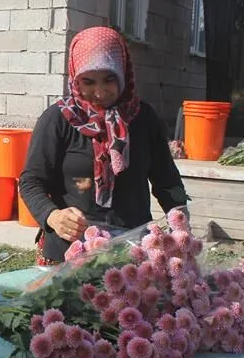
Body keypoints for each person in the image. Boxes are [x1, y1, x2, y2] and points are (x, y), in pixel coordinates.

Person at [19, 26, 189, 266]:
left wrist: (180, 222)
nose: (99, 92)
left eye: (109, 79)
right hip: (71, 251)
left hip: (132, 252)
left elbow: (166, 179)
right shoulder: (58, 118)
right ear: (76, 78)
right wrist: (53, 216)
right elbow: (31, 181)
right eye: (88, 82)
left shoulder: (143, 118)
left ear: (123, 73)